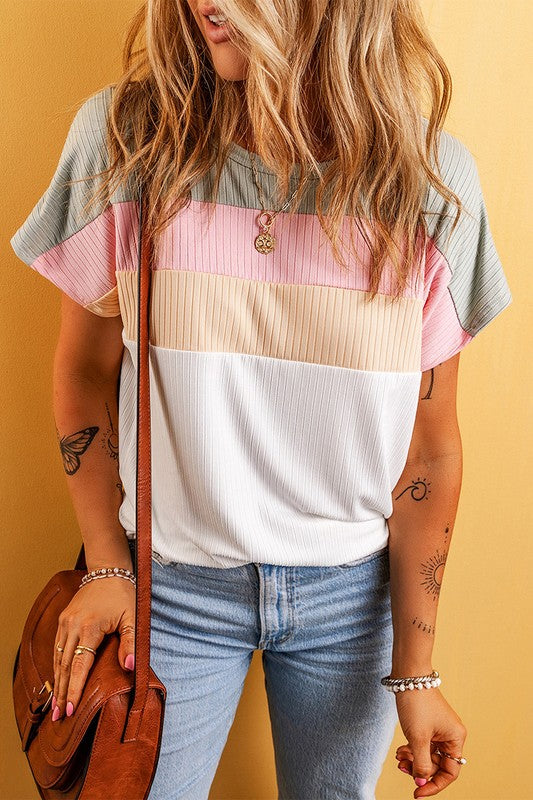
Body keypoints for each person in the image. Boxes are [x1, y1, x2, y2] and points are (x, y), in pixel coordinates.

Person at [10, 2, 512, 799]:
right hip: (167, 592)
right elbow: (83, 372)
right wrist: (106, 562)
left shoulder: (427, 182)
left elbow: (428, 448)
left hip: (351, 603)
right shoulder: (129, 141)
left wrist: (416, 673)